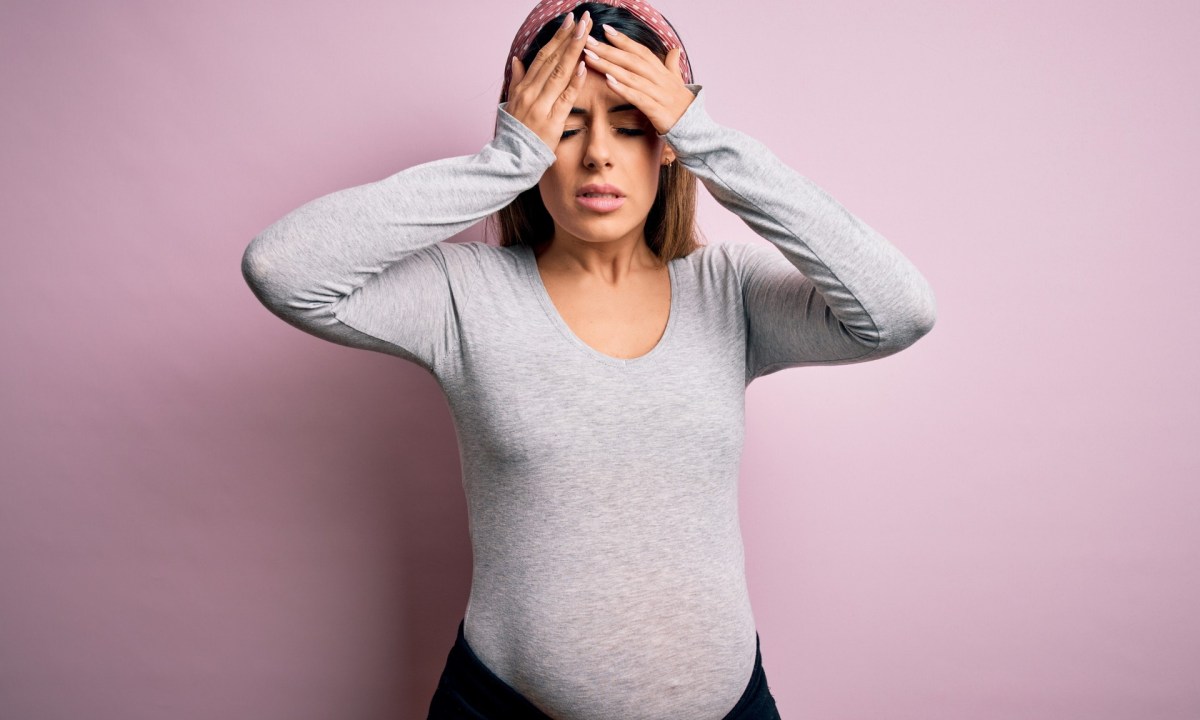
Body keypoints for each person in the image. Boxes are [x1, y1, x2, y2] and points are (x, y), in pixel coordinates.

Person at [240, 1, 937, 717]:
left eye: (631, 125)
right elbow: (282, 269)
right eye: (566, 125)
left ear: (665, 143)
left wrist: (706, 136)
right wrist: (506, 159)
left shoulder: (730, 292)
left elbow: (899, 311)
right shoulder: (464, 295)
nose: (598, 152)